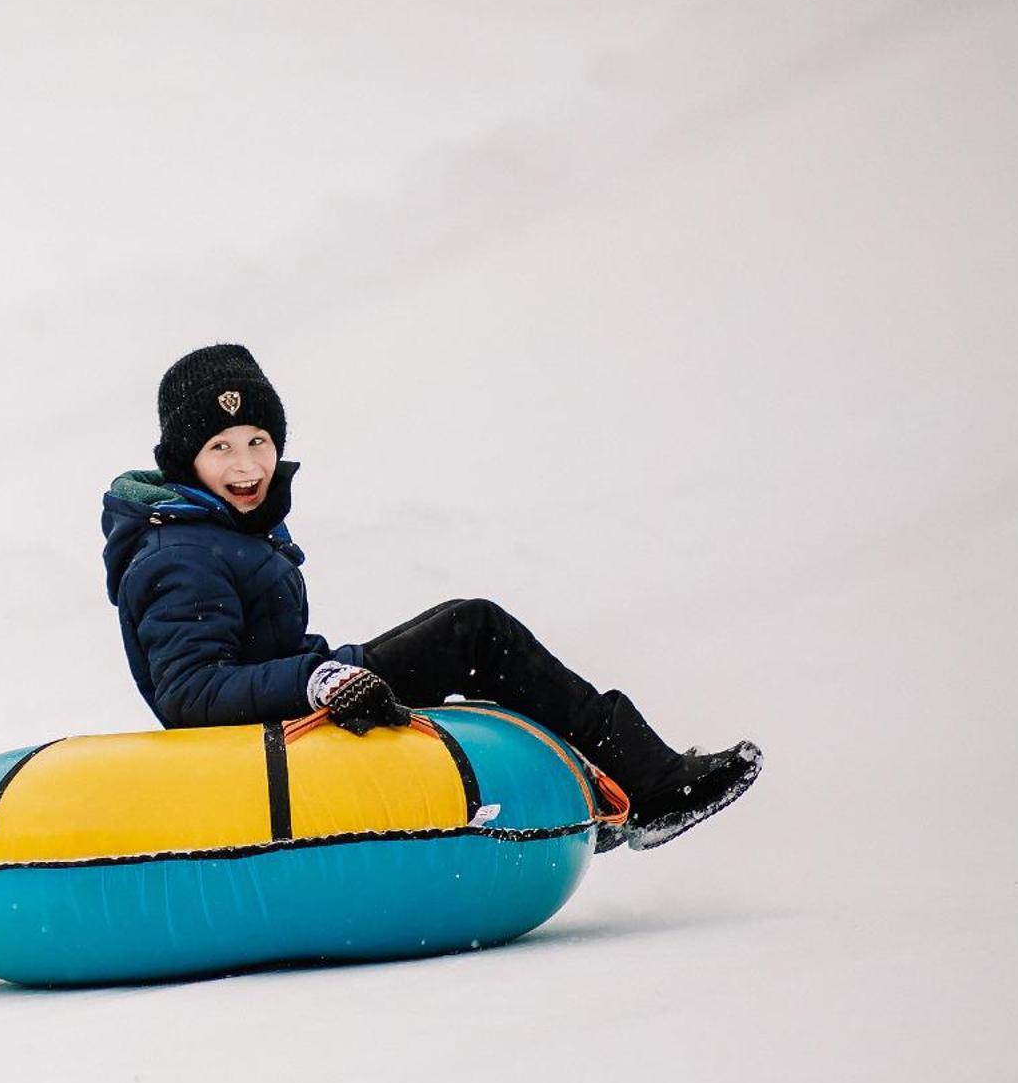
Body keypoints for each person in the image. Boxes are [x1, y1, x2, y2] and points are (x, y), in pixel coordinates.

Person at [101, 345, 760, 851]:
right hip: (269, 733)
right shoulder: (180, 553)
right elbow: (189, 692)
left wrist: (318, 671)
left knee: (469, 639)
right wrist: (320, 679)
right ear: (186, 460)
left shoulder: (220, 531)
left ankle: (603, 789)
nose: (247, 466)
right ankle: (648, 783)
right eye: (221, 448)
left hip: (296, 700)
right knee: (474, 633)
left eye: (259, 442)